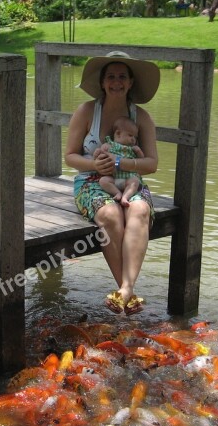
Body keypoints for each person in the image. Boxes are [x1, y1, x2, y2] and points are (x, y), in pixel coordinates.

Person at [65, 51, 160, 316]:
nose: (116, 82)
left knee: (139, 210)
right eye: (110, 77)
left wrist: (123, 164)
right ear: (102, 82)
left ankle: (125, 289)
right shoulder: (86, 111)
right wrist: (95, 165)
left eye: (122, 77)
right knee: (110, 214)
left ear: (130, 82)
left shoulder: (140, 117)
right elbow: (70, 156)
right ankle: (127, 291)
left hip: (130, 181)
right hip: (91, 182)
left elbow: (152, 163)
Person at [93, 116, 145, 208]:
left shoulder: (132, 149)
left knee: (135, 181)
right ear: (118, 134)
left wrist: (139, 152)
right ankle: (117, 192)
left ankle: (125, 196)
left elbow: (142, 161)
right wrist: (97, 153)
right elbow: (100, 157)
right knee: (103, 181)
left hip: (128, 178)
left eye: (135, 137)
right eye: (130, 135)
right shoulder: (110, 145)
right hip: (114, 178)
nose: (133, 139)